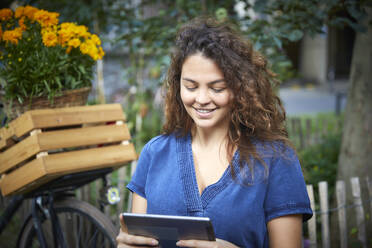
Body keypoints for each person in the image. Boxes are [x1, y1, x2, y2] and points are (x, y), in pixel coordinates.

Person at [116, 17, 312, 248]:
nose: (201, 99)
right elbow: (139, 240)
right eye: (190, 86)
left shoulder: (276, 159)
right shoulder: (155, 152)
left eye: (217, 88)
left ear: (241, 88)